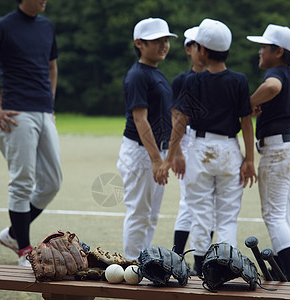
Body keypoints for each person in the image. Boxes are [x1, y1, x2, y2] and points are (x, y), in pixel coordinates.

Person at [0, 0, 62, 266]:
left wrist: (49, 104)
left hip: (43, 112)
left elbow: (52, 67)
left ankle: (12, 234)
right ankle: (24, 249)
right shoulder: (3, 27)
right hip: (16, 115)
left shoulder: (46, 26)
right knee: (22, 181)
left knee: (53, 182)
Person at [156, 18, 257, 276]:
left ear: (202, 50)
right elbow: (246, 123)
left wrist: (170, 156)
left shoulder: (193, 81)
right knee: (227, 215)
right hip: (229, 150)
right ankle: (224, 267)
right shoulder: (239, 81)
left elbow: (180, 122)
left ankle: (200, 267)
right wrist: (249, 159)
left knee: (200, 212)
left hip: (200, 149)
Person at [246, 24, 290, 282]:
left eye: (264, 47)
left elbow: (271, 87)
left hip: (278, 151)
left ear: (278, 51)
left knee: (273, 215)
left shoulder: (276, 72)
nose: (260, 51)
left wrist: (250, 102)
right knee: (281, 212)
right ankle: (287, 267)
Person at [116, 18, 177, 260]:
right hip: (142, 153)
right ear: (139, 43)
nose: (163, 45)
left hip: (154, 152)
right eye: (157, 41)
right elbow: (140, 120)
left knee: (151, 214)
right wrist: (155, 160)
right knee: (140, 212)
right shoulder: (138, 76)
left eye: (166, 40)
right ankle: (133, 263)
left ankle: (144, 261)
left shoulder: (155, 73)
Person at [171, 27, 210, 260]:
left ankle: (200, 258)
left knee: (207, 204)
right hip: (187, 140)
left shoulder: (217, 78)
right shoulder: (182, 80)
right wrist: (176, 151)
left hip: (212, 144)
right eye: (196, 44)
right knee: (189, 200)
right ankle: (179, 256)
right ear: (189, 49)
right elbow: (174, 116)